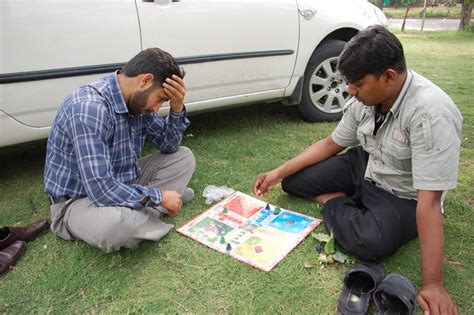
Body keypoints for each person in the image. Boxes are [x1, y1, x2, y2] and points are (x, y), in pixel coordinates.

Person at [253, 25, 461, 314]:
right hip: (365, 165)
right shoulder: (364, 98)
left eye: (358, 84)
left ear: (388, 77)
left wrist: (434, 285)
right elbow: (331, 144)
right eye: (349, 82)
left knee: (371, 242)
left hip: (403, 194)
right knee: (292, 182)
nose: (350, 90)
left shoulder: (431, 114)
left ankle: (334, 201)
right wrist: (277, 173)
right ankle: (349, 204)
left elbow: (429, 201)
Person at [44, 48, 195, 253]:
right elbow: (100, 189)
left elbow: (170, 146)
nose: (156, 109)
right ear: (145, 81)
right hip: (79, 201)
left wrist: (177, 108)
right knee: (118, 226)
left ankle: (144, 208)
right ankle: (154, 207)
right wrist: (159, 196)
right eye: (160, 99)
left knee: (184, 157)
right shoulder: (89, 108)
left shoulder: (137, 102)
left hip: (122, 181)